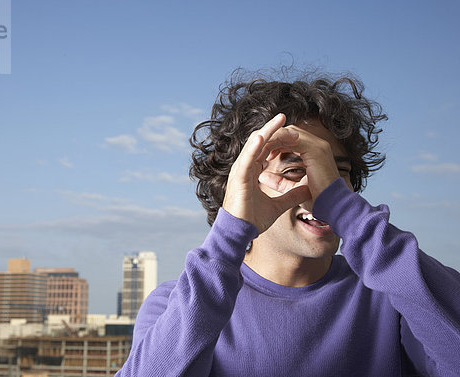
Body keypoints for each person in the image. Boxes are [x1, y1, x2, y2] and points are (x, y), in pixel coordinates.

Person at [115, 71, 460, 377]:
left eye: (336, 173)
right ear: (240, 185)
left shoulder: (394, 298)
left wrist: (350, 214)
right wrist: (228, 234)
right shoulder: (179, 304)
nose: (321, 191)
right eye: (294, 170)